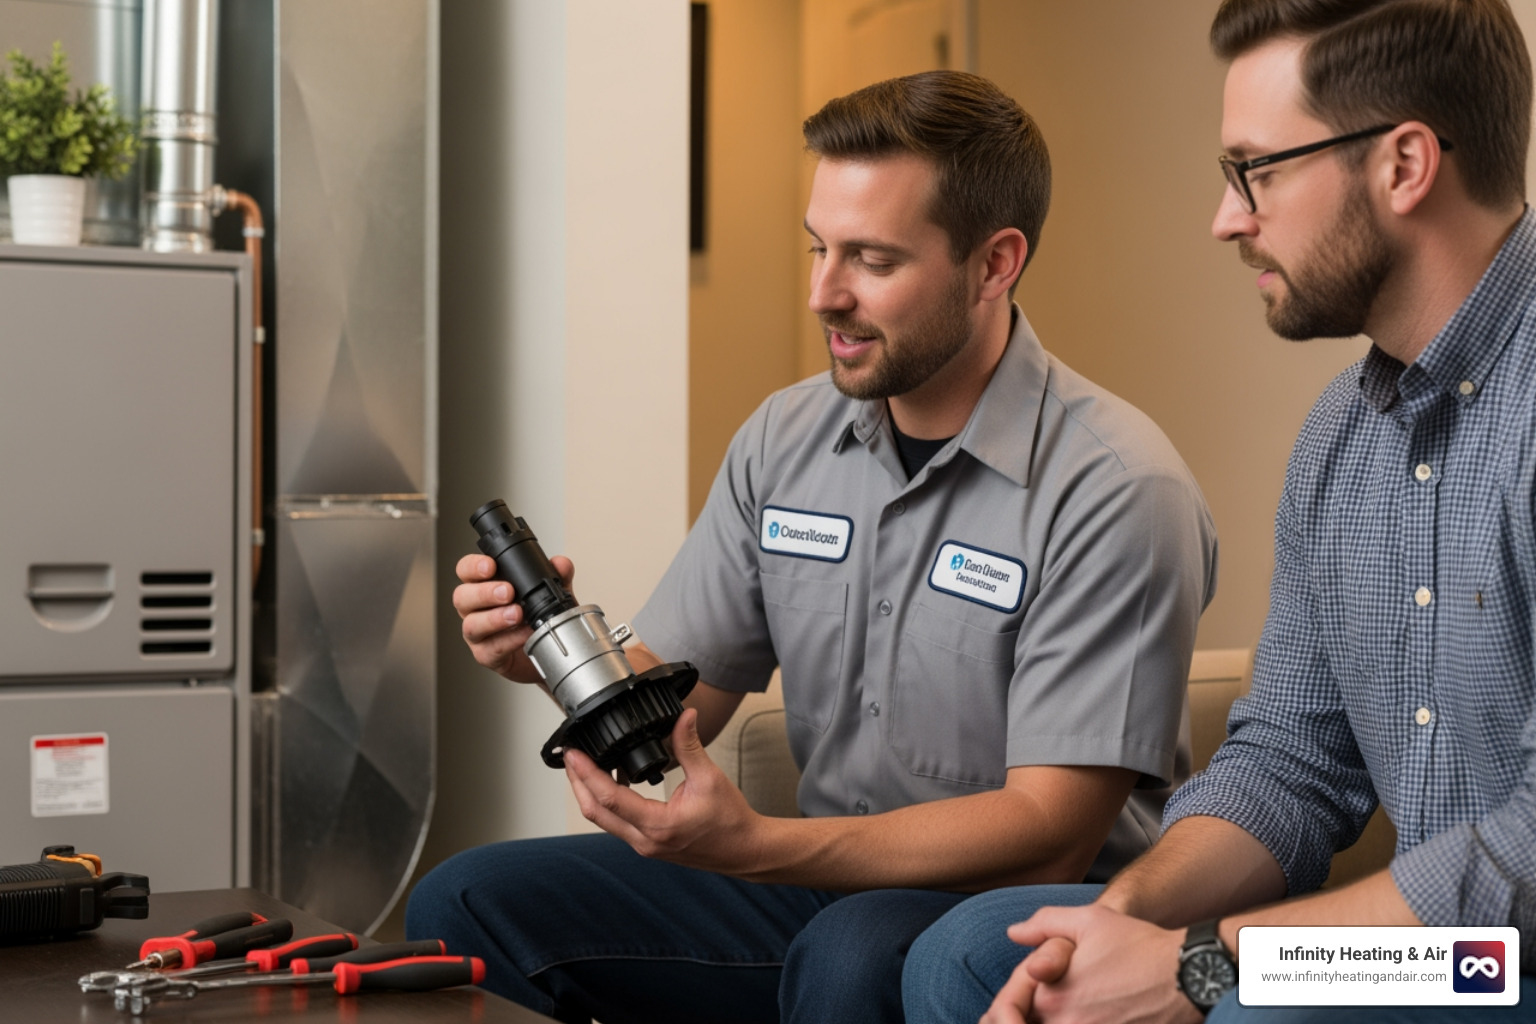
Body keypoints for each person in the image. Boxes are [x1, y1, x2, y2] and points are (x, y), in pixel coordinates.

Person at [407, 70, 1216, 1024]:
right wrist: (545, 656)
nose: (823, 294)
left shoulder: (1115, 485)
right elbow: (680, 698)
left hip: (1016, 909)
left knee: (849, 951)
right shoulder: (785, 441)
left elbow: (1048, 836)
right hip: (816, 878)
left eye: (872, 260)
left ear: (995, 264)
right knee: (463, 902)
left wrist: (758, 846)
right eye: (817, 248)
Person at [901, 2, 1536, 1022]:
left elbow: (1526, 865)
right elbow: (1289, 761)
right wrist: (1119, 922)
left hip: (1508, 953)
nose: (1227, 217)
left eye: (1258, 171)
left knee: (1245, 1006)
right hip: (1435, 956)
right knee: (979, 952)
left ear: (1405, 165)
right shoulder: (1341, 434)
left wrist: (1204, 961)